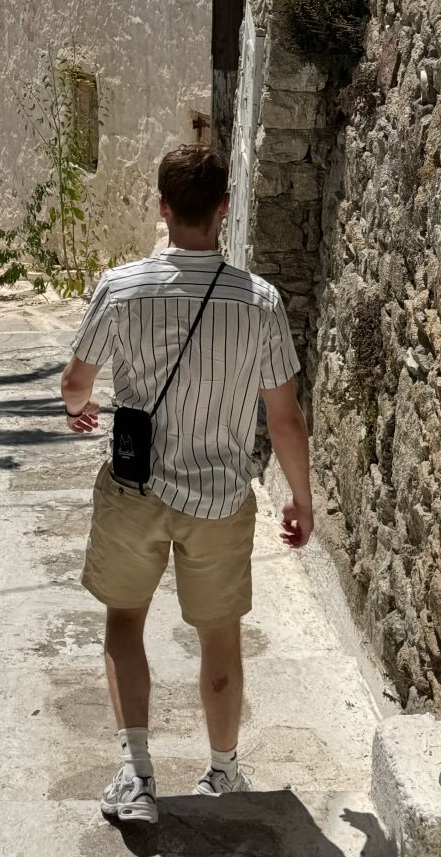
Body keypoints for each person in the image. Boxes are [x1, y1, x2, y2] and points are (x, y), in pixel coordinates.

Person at [59, 144, 314, 826]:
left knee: (124, 621)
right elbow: (284, 418)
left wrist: (80, 409)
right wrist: (300, 498)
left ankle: (137, 774)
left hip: (134, 490)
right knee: (219, 637)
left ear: (162, 207)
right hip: (221, 499)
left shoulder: (120, 288)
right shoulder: (259, 302)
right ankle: (223, 771)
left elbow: (76, 383)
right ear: (224, 208)